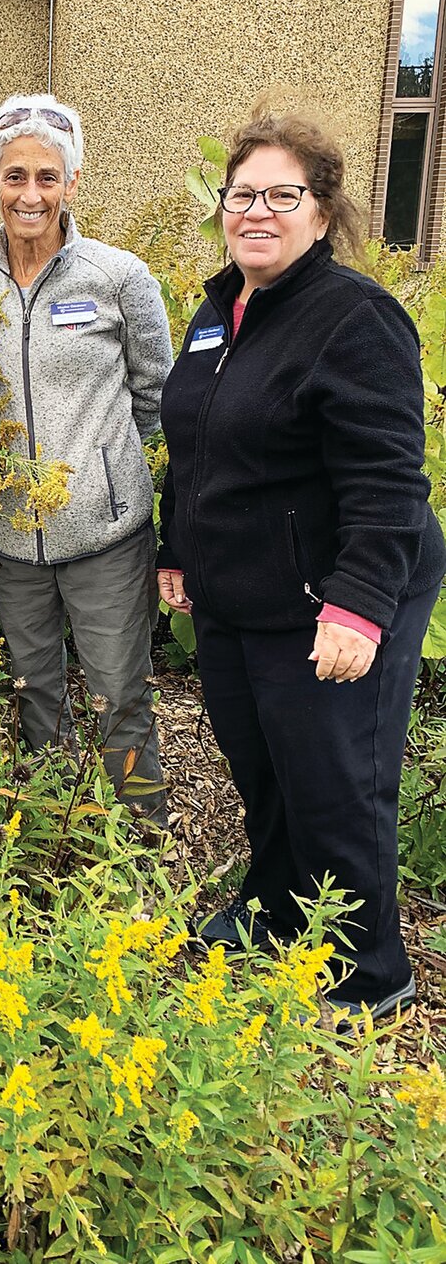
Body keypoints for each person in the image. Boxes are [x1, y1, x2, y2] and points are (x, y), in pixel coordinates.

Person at [157, 104, 446, 1021]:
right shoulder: (222, 313)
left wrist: (358, 605)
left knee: (335, 780)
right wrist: (177, 548)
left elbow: (385, 480)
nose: (257, 211)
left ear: (321, 214)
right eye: (241, 194)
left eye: (282, 195)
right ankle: (277, 908)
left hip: (337, 589)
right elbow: (199, 445)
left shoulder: (352, 318)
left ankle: (370, 972)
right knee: (261, 763)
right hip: (239, 589)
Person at [0, 94, 173, 819]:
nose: (31, 195)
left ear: (73, 182)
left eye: (47, 177)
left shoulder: (117, 277)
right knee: (34, 696)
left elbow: (157, 396)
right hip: (4, 535)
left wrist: (104, 474)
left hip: (103, 537)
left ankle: (140, 847)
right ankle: (50, 839)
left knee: (119, 695)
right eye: (15, 176)